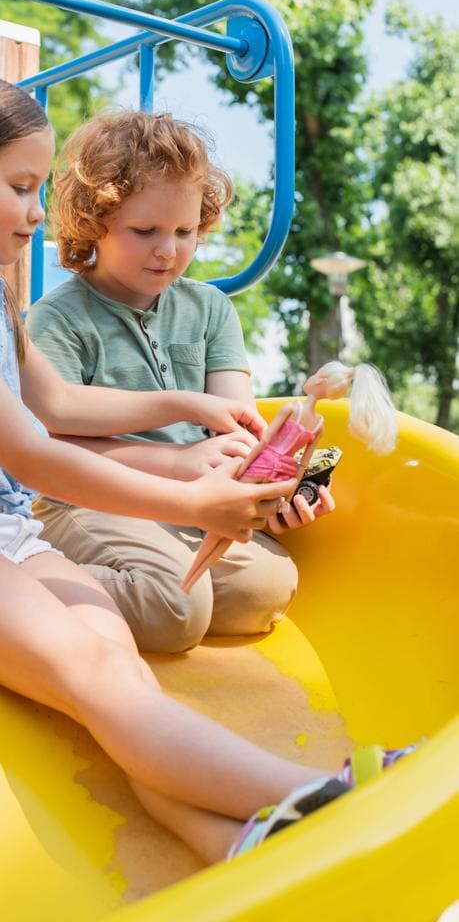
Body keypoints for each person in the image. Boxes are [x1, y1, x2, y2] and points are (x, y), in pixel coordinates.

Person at [0, 66, 400, 863]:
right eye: (21, 188)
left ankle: (234, 843)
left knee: (121, 685)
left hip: (7, 530)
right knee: (96, 675)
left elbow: (56, 403)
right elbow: (29, 449)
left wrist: (184, 406)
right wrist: (196, 503)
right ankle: (336, 799)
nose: (33, 213)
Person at [27, 111, 336, 653]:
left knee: (267, 588)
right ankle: (12, 576)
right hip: (89, 500)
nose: (168, 250)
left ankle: (159, 593)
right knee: (175, 608)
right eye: (144, 231)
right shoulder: (58, 318)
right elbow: (53, 439)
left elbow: (234, 431)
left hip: (187, 503)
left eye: (185, 231)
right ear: (92, 222)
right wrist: (179, 452)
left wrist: (276, 488)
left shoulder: (211, 309)